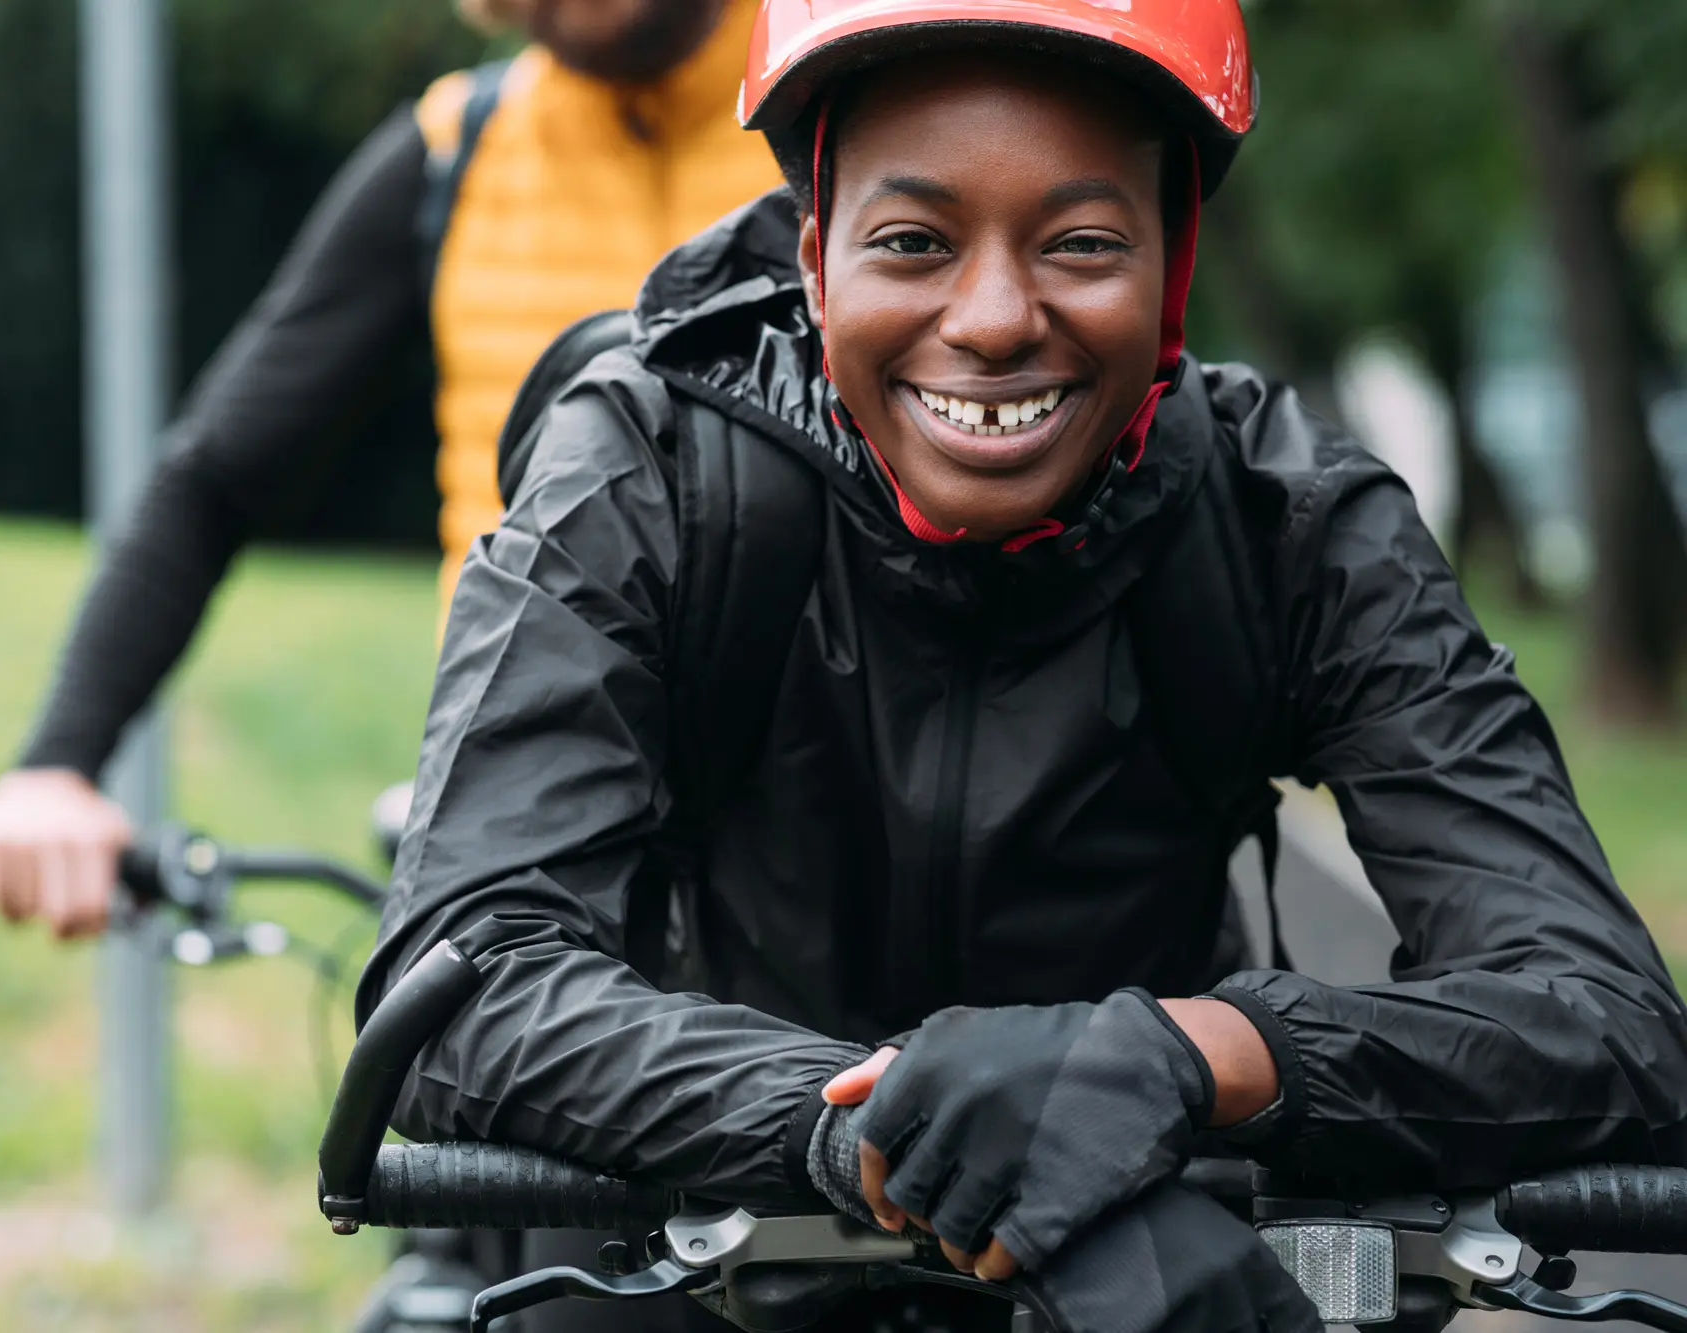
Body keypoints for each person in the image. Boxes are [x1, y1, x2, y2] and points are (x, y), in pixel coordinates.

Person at [356, 1, 1687, 1329]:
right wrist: (895, 1139)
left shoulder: (1290, 522)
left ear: (1172, 269)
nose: (993, 318)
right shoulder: (648, 470)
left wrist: (1189, 1058)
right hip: (697, 1248)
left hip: (1165, 1239)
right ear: (818, 261)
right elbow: (463, 976)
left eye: (1083, 243)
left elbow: (1603, 1015)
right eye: (913, 243)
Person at [0, 0, 781, 937]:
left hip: (818, 833)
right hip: (533, 830)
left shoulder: (854, 105)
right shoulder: (457, 151)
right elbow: (216, 476)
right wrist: (56, 765)